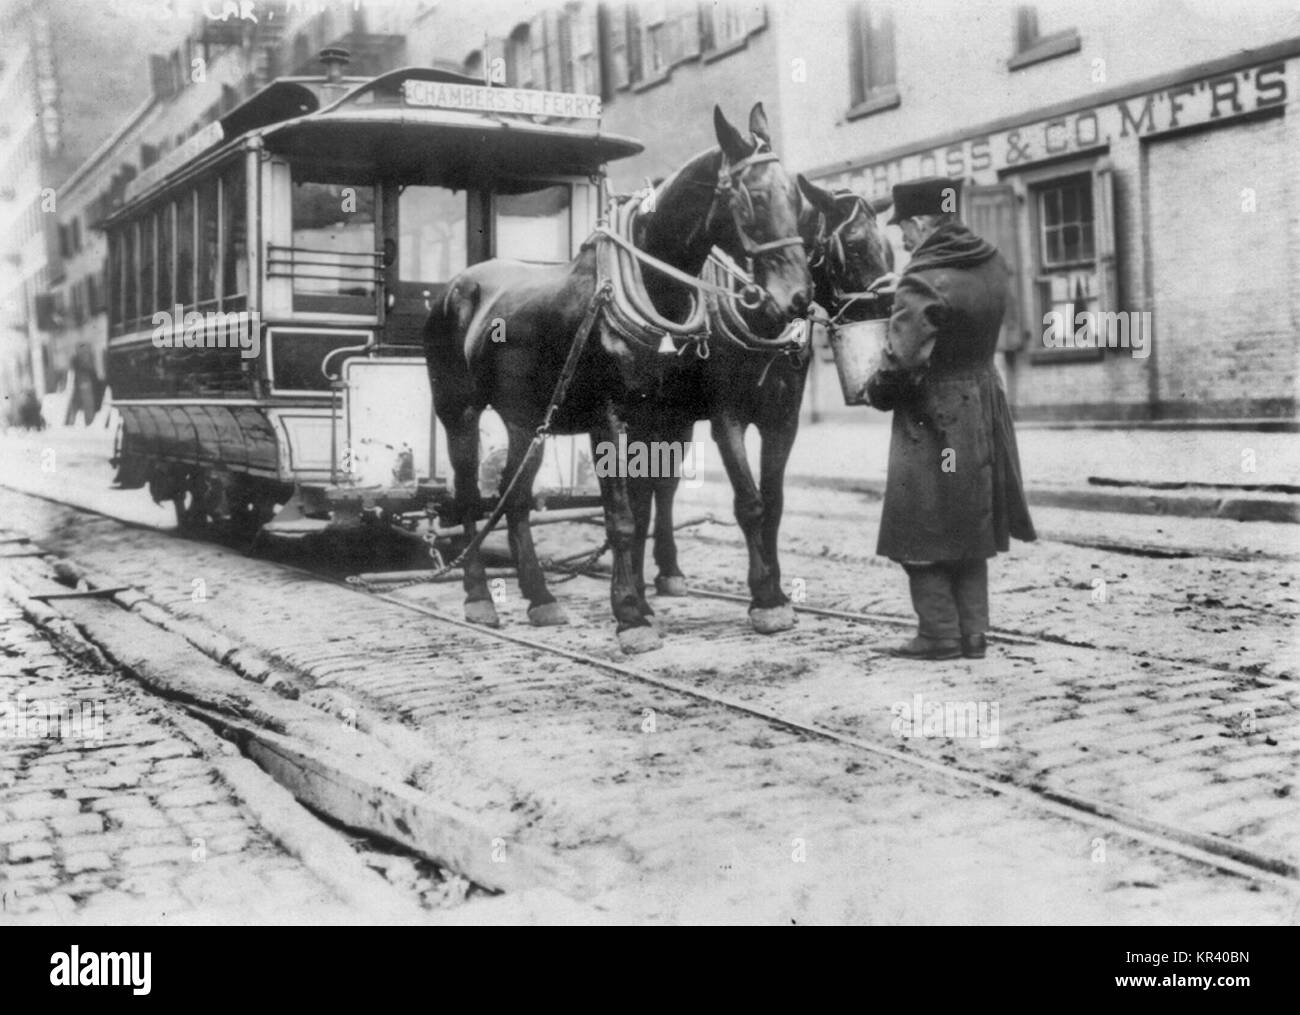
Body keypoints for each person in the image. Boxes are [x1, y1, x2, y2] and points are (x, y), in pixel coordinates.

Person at [863, 177, 1035, 660]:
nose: (902, 241)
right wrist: (908, 284)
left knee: (921, 523)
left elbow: (902, 361)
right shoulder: (989, 260)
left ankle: (938, 634)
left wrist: (874, 390)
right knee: (970, 520)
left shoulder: (922, 277)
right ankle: (974, 634)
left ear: (920, 222)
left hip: (933, 412)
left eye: (903, 231)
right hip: (981, 401)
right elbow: (958, 296)